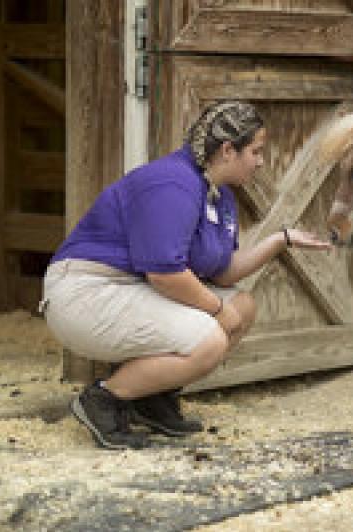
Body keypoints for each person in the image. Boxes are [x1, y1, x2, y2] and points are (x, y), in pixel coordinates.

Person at [42, 101, 332, 450]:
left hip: (130, 287)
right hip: (85, 292)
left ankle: (151, 399)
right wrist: (216, 310)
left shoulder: (218, 193)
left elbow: (221, 273)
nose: (260, 162)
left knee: (243, 306)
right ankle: (103, 400)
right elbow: (164, 274)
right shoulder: (172, 184)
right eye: (255, 152)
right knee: (209, 337)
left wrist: (279, 240)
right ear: (228, 150)